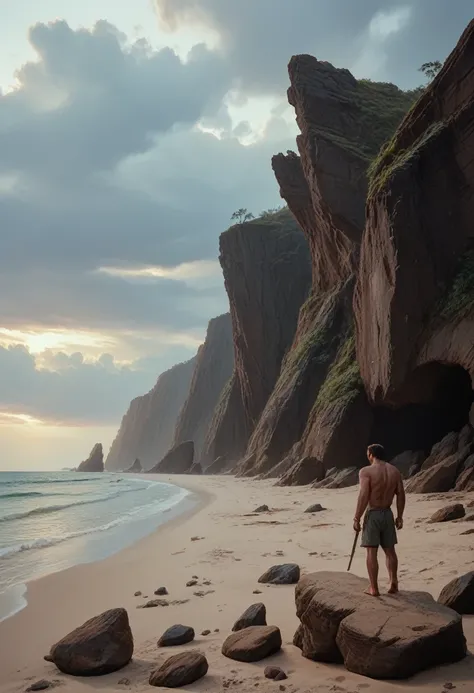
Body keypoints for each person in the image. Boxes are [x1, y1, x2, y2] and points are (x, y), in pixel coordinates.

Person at [353, 443, 405, 597]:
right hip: (388, 514)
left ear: (371, 455)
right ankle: (393, 582)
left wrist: (357, 517)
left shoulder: (366, 471)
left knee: (371, 551)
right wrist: (400, 516)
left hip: (374, 513)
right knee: (390, 551)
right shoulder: (394, 471)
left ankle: (374, 588)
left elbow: (363, 495)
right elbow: (401, 494)